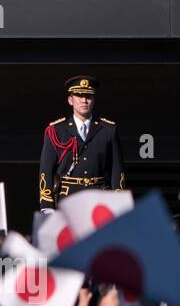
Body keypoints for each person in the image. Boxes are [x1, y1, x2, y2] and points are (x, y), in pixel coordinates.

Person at [38, 75, 126, 211]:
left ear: (94, 100)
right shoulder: (56, 130)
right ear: (70, 100)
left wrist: (119, 205)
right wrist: (47, 206)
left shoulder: (108, 130)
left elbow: (117, 171)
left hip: (99, 200)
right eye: (79, 95)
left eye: (88, 96)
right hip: (68, 200)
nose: (84, 100)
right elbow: (46, 171)